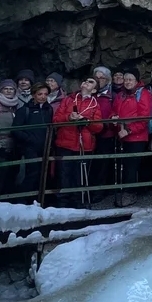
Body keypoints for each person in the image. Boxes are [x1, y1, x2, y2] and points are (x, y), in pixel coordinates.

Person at [52, 76, 104, 208]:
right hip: (65, 143)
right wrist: (68, 117)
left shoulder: (95, 104)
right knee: (64, 175)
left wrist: (86, 122)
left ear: (94, 90)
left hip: (84, 145)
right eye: (86, 80)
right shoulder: (68, 100)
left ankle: (77, 203)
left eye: (91, 82)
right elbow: (56, 119)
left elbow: (99, 127)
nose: (86, 82)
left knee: (79, 176)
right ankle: (62, 204)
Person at [112, 67, 152, 199]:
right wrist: (113, 118)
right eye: (126, 79)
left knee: (132, 165)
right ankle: (124, 191)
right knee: (123, 164)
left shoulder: (144, 94)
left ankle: (130, 193)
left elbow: (144, 118)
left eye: (130, 79)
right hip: (121, 135)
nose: (127, 82)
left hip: (136, 137)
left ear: (137, 81)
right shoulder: (121, 95)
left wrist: (128, 130)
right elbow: (114, 110)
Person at [12, 83, 54, 195]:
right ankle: (25, 199)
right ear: (33, 94)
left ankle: (42, 199)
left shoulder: (48, 109)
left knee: (44, 173)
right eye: (40, 94)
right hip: (30, 148)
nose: (43, 97)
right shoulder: (24, 110)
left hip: (45, 147)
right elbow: (15, 129)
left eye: (45, 94)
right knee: (32, 173)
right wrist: (30, 139)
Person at [91, 66, 117, 187]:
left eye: (102, 78)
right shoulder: (89, 94)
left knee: (103, 163)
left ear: (108, 80)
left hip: (107, 134)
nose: (99, 80)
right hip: (90, 134)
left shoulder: (113, 95)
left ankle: (100, 189)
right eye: (96, 77)